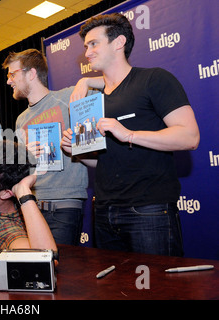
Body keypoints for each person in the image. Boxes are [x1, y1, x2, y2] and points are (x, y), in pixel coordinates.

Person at [61, 13, 200, 256]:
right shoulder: (94, 100)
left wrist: (130, 135)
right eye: (85, 46)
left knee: (158, 291)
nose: (87, 52)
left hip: (149, 210)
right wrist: (78, 153)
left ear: (119, 43)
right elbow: (103, 160)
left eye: (94, 43)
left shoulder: (154, 79)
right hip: (104, 211)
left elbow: (190, 137)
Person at [2, 49, 103, 245]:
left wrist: (86, 82)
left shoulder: (69, 97)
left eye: (12, 74)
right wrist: (24, 156)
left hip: (64, 206)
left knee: (59, 268)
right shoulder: (20, 119)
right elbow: (23, 172)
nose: (8, 81)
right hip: (31, 205)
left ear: (31, 74)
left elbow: (117, 84)